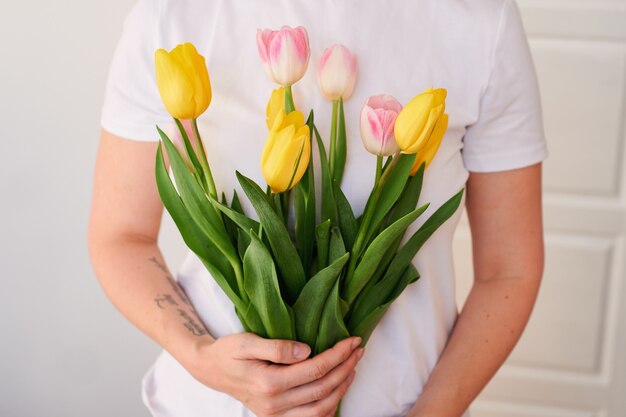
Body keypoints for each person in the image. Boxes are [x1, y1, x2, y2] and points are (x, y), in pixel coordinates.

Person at [88, 0, 547, 416]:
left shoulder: (481, 24)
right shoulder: (172, 16)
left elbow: (509, 269)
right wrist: (200, 356)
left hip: (404, 405)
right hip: (209, 407)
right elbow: (121, 237)